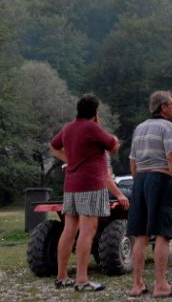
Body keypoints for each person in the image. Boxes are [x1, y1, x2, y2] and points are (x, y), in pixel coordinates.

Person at [49, 94, 120, 291]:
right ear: (95, 112)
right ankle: (82, 280)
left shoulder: (68, 127)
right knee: (87, 231)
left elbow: (52, 146)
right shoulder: (92, 128)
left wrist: (69, 158)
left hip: (71, 186)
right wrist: (100, 125)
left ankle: (62, 277)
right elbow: (113, 147)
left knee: (69, 230)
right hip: (90, 184)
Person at [127, 90, 172, 299]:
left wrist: (139, 184)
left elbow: (133, 162)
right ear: (163, 107)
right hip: (160, 179)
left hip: (141, 181)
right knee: (162, 233)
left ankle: (137, 285)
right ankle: (161, 285)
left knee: (141, 236)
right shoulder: (167, 126)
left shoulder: (139, 128)